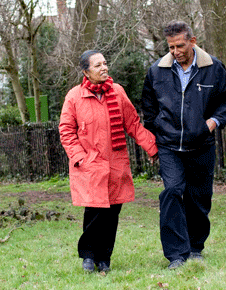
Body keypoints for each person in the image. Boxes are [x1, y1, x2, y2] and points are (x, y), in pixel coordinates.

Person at [141, 20, 226, 270]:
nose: (175, 52)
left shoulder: (213, 68)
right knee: (172, 192)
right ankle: (176, 254)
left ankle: (195, 248)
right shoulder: (157, 71)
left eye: (180, 46)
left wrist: (213, 122)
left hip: (202, 145)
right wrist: (157, 133)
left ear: (192, 41)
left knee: (198, 199)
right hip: (169, 146)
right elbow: (149, 108)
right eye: (171, 47)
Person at [59, 50, 158, 273]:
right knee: (94, 214)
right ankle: (88, 255)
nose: (104, 68)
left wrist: (153, 148)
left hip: (116, 164)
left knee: (112, 214)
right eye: (97, 65)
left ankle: (104, 258)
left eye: (105, 63)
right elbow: (66, 130)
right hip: (90, 165)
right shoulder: (74, 96)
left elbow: (133, 124)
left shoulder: (118, 92)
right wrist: (79, 158)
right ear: (86, 71)